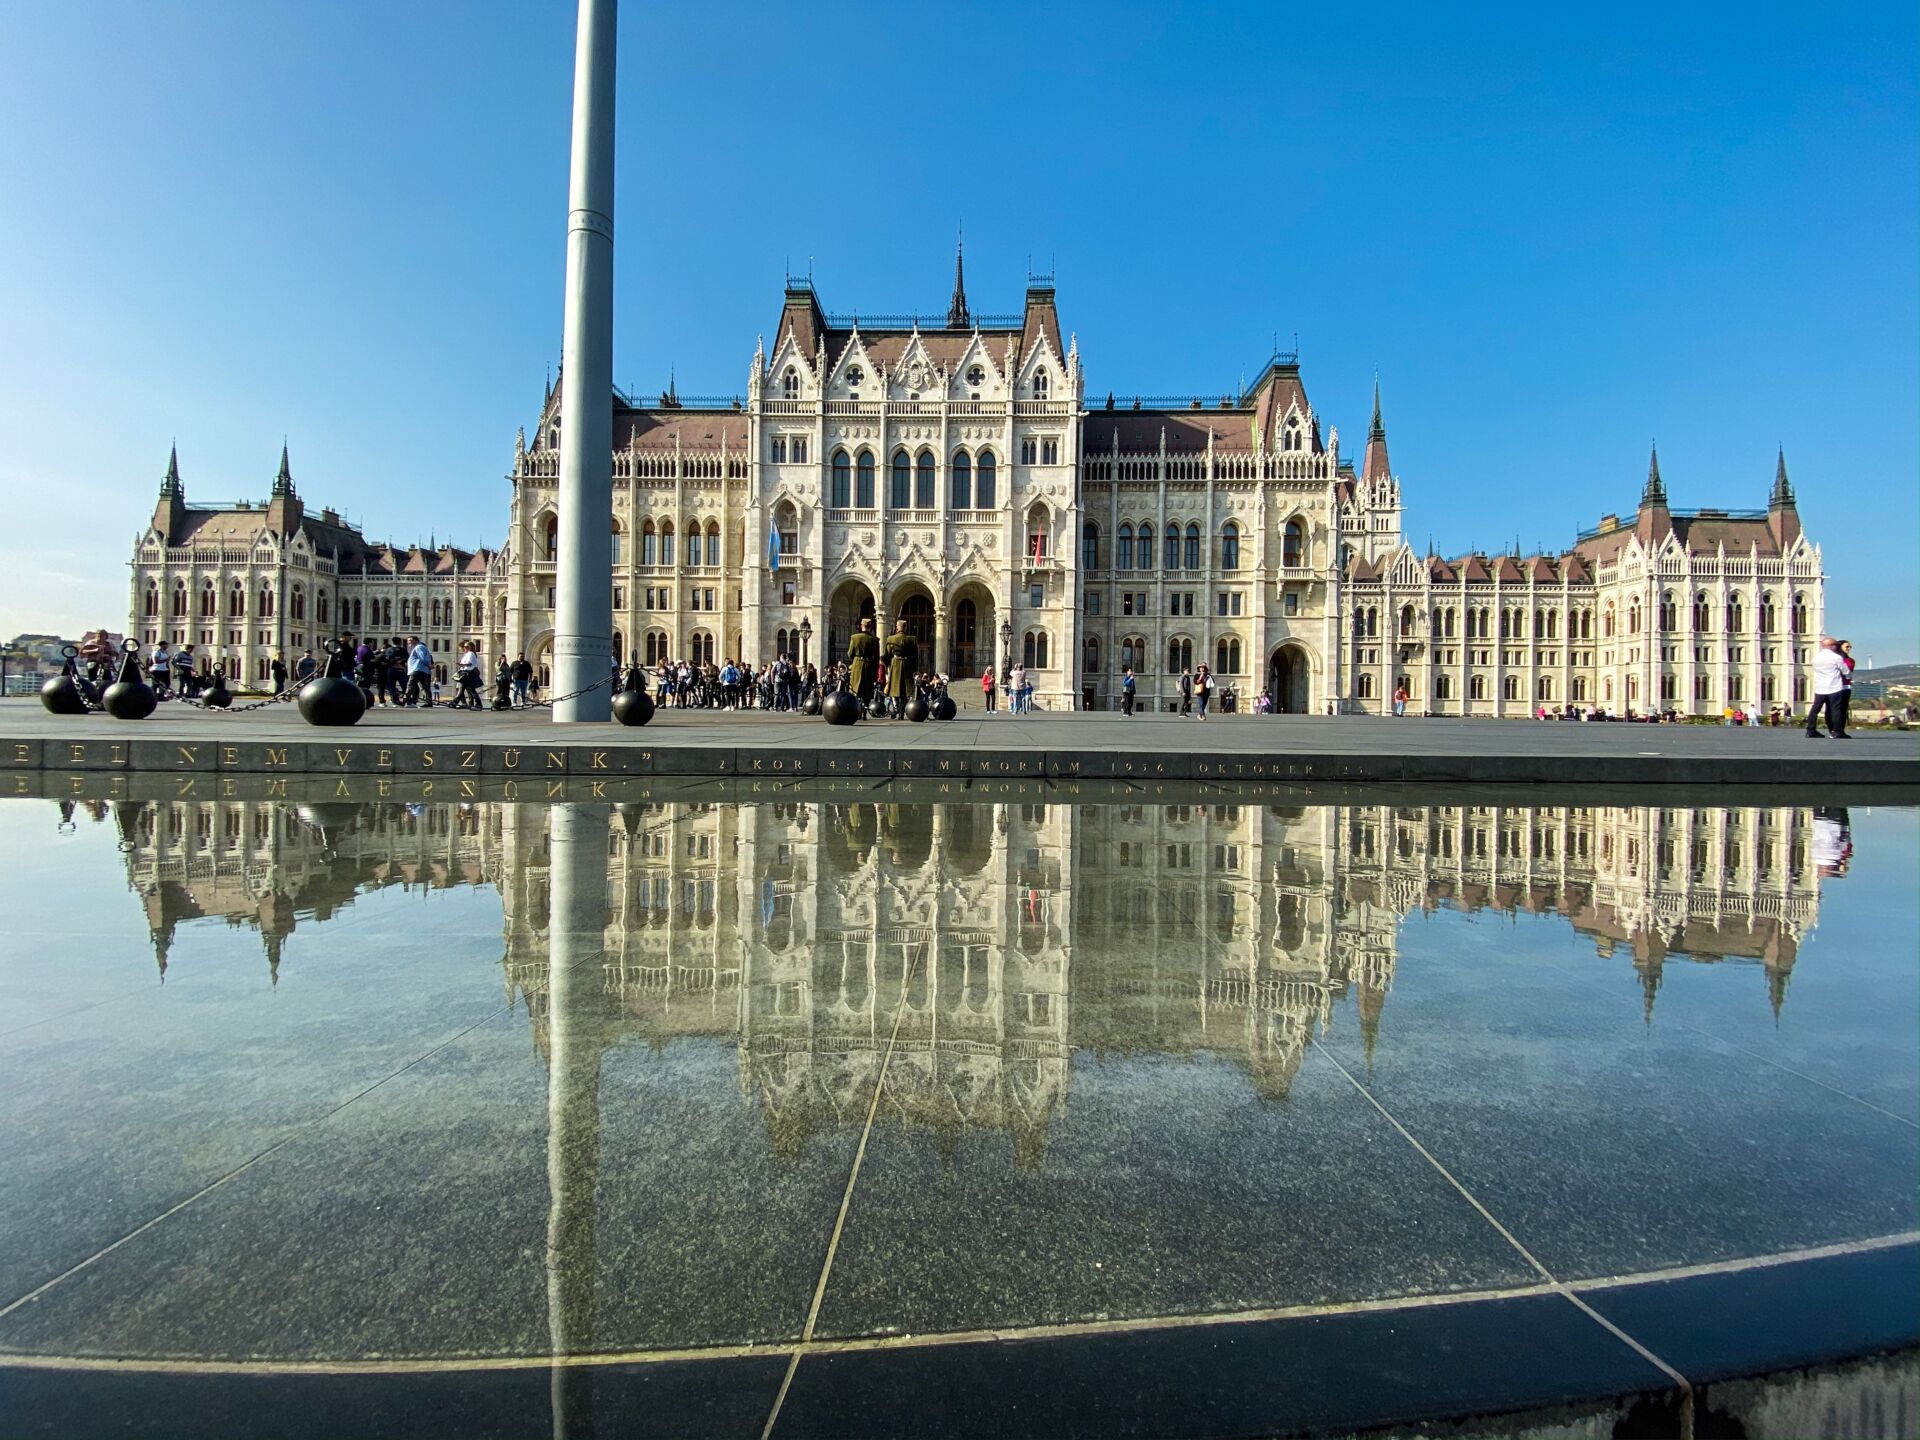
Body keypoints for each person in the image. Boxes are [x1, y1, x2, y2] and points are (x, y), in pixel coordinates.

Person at [1805, 636, 1849, 739]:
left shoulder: (1816, 657)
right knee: (1835, 710)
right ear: (1832, 646)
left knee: (1815, 709)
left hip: (1820, 687)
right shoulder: (1836, 657)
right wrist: (1847, 677)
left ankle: (1811, 730)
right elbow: (1846, 671)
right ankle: (1837, 731)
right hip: (1834, 687)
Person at [883, 621, 918, 719]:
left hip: (895, 665)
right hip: (908, 666)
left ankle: (896, 708)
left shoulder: (891, 639)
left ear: (897, 628)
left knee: (895, 690)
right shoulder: (912, 639)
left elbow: (887, 654)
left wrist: (887, 664)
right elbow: (915, 656)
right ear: (906, 628)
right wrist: (915, 670)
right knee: (905, 691)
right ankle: (901, 713)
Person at [846, 617, 880, 712]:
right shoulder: (875, 640)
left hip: (857, 664)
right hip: (869, 665)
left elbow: (850, 654)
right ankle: (864, 711)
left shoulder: (855, 637)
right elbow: (876, 657)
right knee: (867, 689)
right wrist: (875, 670)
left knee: (856, 688)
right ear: (871, 627)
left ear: (861, 626)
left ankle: (857, 709)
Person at [406, 634, 435, 707]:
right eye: (407, 641)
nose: (408, 642)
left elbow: (423, 658)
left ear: (415, 640)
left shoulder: (419, 647)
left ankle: (407, 701)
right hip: (421, 670)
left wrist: (428, 665)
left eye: (410, 640)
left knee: (410, 685)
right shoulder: (420, 647)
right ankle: (428, 702)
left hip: (417, 669)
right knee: (424, 686)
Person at [1836, 639, 1856, 736]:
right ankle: (1837, 730)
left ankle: (1838, 729)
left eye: (1849, 647)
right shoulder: (1846, 660)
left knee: (1841, 709)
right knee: (1839, 709)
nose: (1849, 649)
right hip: (1839, 686)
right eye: (1847, 647)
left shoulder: (1849, 661)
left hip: (1842, 686)